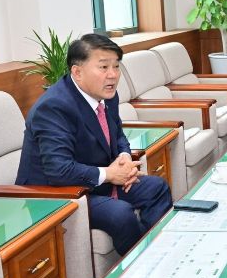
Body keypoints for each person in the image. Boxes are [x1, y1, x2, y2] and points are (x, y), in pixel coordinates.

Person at [16, 33, 172, 255]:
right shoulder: (53, 108)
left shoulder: (107, 94)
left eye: (116, 66)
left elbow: (117, 134)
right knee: (120, 214)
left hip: (95, 182)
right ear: (77, 72)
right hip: (57, 193)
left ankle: (160, 249)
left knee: (157, 188)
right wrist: (109, 174)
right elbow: (58, 170)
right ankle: (145, 260)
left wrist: (124, 158)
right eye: (104, 67)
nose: (113, 75)